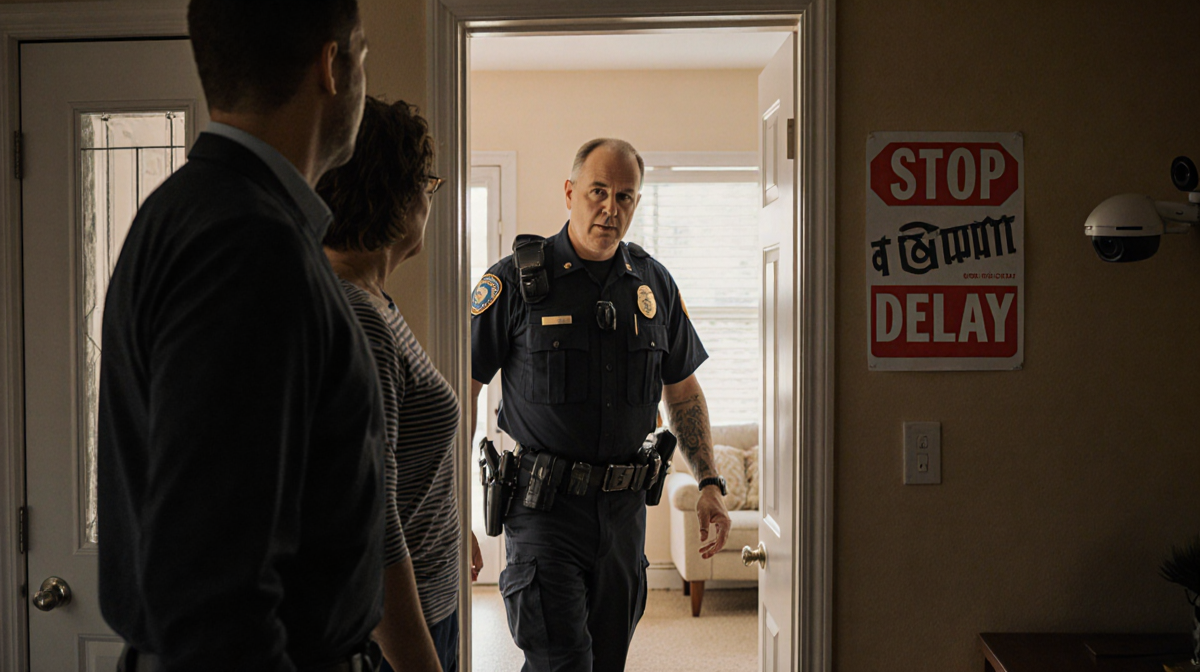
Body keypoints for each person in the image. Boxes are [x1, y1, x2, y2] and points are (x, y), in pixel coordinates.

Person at [97, 2, 384, 670]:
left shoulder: (189, 210)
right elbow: (213, 598)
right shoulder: (248, 246)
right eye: (364, 54)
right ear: (332, 65)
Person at [469, 138, 733, 672]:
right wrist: (455, 514)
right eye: (598, 192)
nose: (611, 208)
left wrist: (709, 481)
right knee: (562, 662)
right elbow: (461, 391)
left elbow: (682, 390)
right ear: (570, 193)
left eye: (625, 196)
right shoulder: (514, 282)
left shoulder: (653, 283)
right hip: (543, 513)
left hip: (623, 516)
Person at [317, 97, 483, 672]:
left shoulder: (374, 301)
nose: (429, 201)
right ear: (398, 194)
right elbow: (371, 523)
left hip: (429, 604)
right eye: (427, 184)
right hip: (393, 638)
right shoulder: (359, 317)